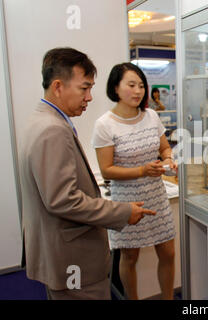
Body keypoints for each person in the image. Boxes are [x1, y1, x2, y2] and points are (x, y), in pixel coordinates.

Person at [19, 47, 155, 300]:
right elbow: (63, 200)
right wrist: (124, 211)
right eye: (84, 88)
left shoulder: (41, 120)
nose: (89, 97)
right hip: (74, 260)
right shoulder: (52, 130)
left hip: (60, 255)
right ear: (58, 86)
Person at [92, 62, 177, 300]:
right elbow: (107, 170)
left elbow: (164, 147)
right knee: (129, 257)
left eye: (141, 85)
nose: (138, 91)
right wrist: (142, 170)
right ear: (116, 88)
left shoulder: (151, 116)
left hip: (156, 195)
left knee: (168, 253)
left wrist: (169, 159)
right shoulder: (104, 124)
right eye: (131, 85)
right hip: (127, 201)